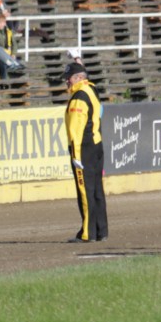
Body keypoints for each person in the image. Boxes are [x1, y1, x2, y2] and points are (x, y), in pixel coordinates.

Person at [63, 51, 107, 243]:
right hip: (97, 146)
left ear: (78, 78)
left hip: (84, 149)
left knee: (85, 191)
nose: (67, 82)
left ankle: (88, 233)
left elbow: (75, 131)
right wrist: (77, 60)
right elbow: (85, 74)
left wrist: (75, 156)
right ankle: (101, 230)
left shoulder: (78, 97)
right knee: (97, 190)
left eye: (69, 78)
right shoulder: (91, 88)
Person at [0, 14, 25, 80]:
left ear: (4, 23)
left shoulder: (9, 32)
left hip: (7, 53)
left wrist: (13, 54)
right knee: (3, 61)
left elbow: (14, 44)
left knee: (15, 61)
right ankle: (3, 80)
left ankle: (12, 78)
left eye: (0, 23)